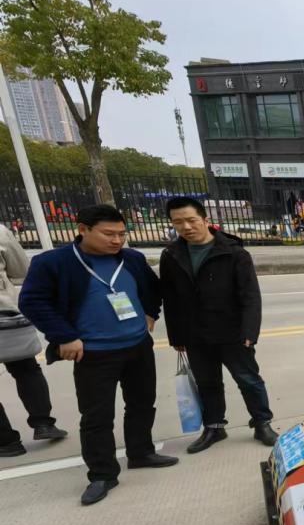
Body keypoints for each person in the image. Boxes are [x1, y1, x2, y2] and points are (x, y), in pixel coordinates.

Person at [18, 204, 177, 504]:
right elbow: (33, 301)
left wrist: (150, 313)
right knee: (97, 416)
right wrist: (65, 336)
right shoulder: (55, 263)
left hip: (137, 346)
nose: (117, 240)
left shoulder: (131, 259)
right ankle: (102, 474)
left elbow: (153, 288)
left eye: (121, 234)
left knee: (142, 404)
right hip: (94, 353)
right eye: (108, 234)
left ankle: (141, 452)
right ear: (82, 229)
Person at [160, 196, 277, 453]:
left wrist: (249, 331)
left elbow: (250, 295)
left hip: (232, 332)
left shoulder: (233, 252)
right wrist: (176, 336)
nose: (186, 227)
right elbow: (171, 299)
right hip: (195, 334)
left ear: (204, 219)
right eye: (178, 222)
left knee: (248, 379)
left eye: (191, 220)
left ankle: (262, 423)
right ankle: (214, 427)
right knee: (207, 383)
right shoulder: (171, 255)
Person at [0, 223, 67, 456]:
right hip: (5, 315)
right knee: (26, 368)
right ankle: (43, 423)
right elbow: (21, 270)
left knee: (26, 369)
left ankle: (6, 442)